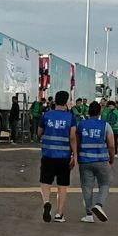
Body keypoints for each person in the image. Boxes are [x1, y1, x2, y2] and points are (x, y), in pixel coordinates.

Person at [73, 101, 115, 223]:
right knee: (105, 184)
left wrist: (75, 156)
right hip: (101, 160)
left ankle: (88, 214)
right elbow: (111, 145)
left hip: (85, 161)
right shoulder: (105, 125)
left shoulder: (81, 125)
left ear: (88, 111)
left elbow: (77, 142)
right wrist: (111, 159)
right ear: (100, 112)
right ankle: (99, 205)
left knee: (87, 187)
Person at [38, 90, 76, 223]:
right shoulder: (70, 117)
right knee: (62, 185)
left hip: (48, 154)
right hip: (64, 156)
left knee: (45, 182)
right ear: (66, 101)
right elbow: (72, 137)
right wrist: (74, 155)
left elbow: (39, 132)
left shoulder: (47, 115)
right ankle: (59, 214)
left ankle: (46, 202)